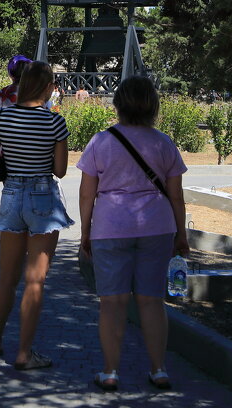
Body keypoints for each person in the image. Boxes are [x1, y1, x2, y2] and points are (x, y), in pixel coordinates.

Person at [76, 75, 188, 392]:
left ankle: (110, 372)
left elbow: (87, 194)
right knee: (152, 302)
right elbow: (177, 195)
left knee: (111, 304)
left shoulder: (101, 142)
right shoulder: (164, 143)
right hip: (157, 228)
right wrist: (181, 233)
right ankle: (159, 369)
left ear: (118, 105)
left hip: (110, 228)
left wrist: (86, 230)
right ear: (153, 106)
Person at [0, 61, 71, 371]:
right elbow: (60, 170)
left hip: (11, 194)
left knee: (6, 278)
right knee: (35, 280)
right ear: (47, 88)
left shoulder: (2, 116)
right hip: (43, 195)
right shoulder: (56, 123)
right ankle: (25, 353)